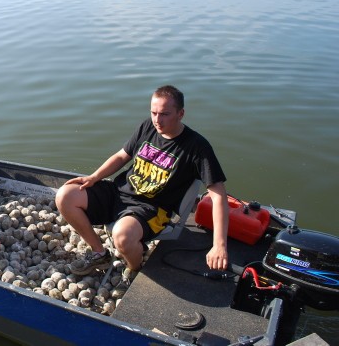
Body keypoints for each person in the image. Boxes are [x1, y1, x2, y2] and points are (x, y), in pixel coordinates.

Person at [56, 85, 229, 277]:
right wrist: (94, 177)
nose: (157, 120)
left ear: (181, 114)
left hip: (152, 208)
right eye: (154, 112)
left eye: (164, 114)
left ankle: (135, 267)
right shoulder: (148, 126)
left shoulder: (197, 147)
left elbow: (218, 195)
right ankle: (99, 252)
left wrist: (219, 245)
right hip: (119, 192)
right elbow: (122, 156)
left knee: (122, 236)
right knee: (66, 195)